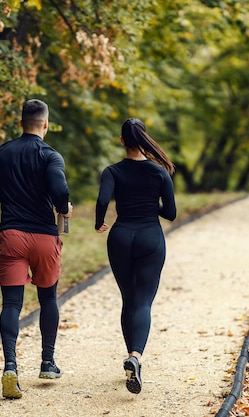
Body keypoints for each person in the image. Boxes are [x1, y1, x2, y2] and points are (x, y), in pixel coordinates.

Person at [0, 99, 72, 399]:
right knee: (48, 299)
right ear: (45, 124)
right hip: (44, 238)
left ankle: (10, 366)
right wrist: (63, 207)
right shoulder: (50, 155)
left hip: (12, 234)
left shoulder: (2, 153)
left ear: (21, 123)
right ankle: (47, 362)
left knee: (11, 304)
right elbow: (60, 189)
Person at [94, 117, 176, 394]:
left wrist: (98, 221)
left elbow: (104, 199)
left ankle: (131, 353)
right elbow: (171, 213)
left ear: (122, 141)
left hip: (120, 237)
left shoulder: (112, 171)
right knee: (142, 302)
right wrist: (152, 206)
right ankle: (136, 357)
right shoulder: (159, 172)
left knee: (128, 299)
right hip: (150, 238)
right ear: (144, 138)